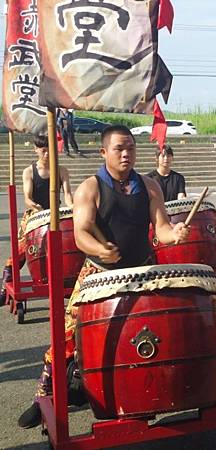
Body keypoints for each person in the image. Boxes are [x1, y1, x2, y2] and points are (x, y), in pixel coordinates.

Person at [18, 125, 190, 428]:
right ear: (103, 152)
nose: (126, 154)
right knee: (68, 336)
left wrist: (173, 234)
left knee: (154, 330)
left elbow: (160, 227)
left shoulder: (150, 186)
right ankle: (43, 393)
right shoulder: (91, 188)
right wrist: (99, 248)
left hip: (141, 271)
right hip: (99, 275)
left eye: (131, 149)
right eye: (119, 149)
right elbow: (82, 233)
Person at [0, 135, 74, 305]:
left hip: (57, 215)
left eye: (49, 149)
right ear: (36, 150)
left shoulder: (61, 170)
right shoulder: (29, 171)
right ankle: (6, 286)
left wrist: (73, 207)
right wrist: (37, 209)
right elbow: (27, 198)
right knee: (20, 250)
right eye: (43, 149)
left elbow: (68, 195)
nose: (47, 153)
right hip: (35, 216)